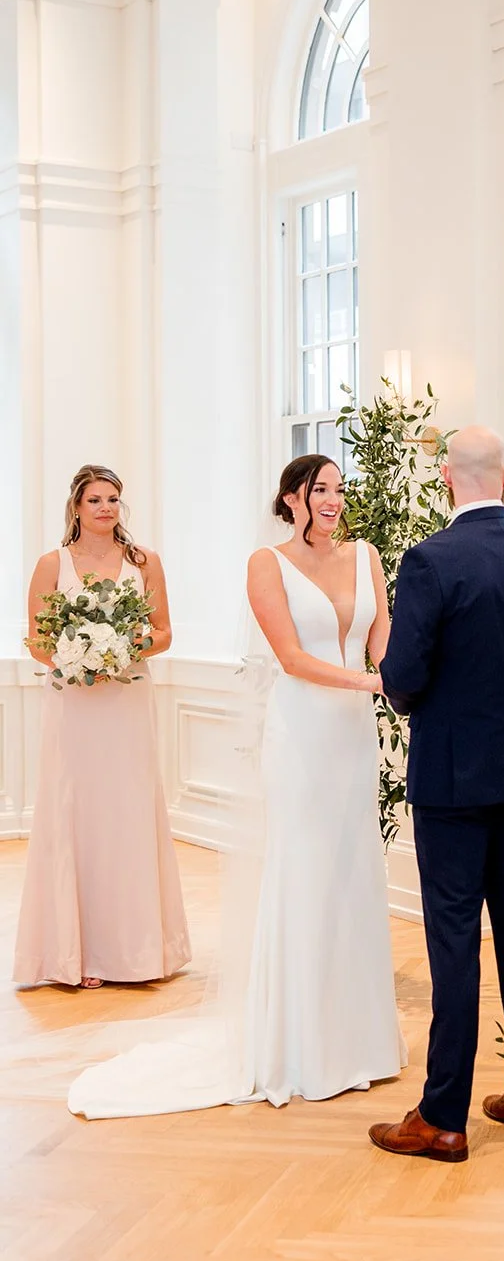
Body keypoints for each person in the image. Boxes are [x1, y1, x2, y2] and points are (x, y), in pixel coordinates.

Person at [68, 454, 405, 1115]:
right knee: (303, 871)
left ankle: (360, 1041)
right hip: (303, 731)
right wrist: (372, 683)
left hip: (352, 736)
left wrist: (411, 677)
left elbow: (384, 642)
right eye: (320, 489)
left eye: (339, 489)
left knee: (352, 869)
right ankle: (298, 1044)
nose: (334, 499)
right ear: (291, 500)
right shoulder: (265, 564)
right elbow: (292, 658)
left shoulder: (366, 556)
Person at [369, 427, 504, 1163]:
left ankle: (443, 1114)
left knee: (453, 938)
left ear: (447, 478)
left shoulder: (430, 559)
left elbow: (406, 672)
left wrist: (405, 688)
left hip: (452, 775)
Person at [15, 464, 190, 990]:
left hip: (127, 701)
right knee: (77, 815)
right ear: (76, 507)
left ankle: (136, 951)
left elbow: (162, 633)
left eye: (113, 498)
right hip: (75, 708)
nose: (106, 508)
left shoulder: (144, 563)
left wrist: (119, 650)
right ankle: (76, 953)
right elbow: (38, 642)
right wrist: (77, 658)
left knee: (127, 814)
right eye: (95, 500)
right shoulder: (53, 564)